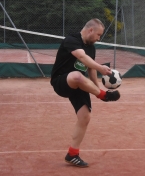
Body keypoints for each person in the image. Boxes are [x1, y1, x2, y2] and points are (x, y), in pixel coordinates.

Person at [50, 18, 120, 168]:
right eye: (98, 35)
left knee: (85, 116)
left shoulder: (91, 47)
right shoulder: (72, 39)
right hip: (61, 81)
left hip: (80, 84)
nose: (98, 38)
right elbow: (82, 57)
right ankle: (104, 95)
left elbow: (90, 68)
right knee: (76, 75)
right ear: (90, 31)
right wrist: (102, 73)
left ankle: (72, 154)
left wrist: (95, 87)